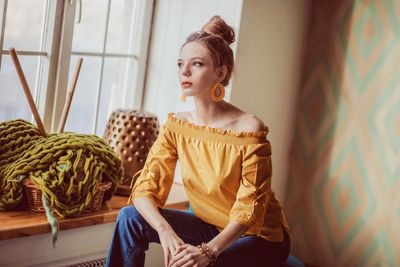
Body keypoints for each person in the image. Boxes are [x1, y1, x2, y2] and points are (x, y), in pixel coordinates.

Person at [105, 15, 291, 267]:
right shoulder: (176, 126)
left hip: (258, 239)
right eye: (181, 63)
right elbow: (144, 191)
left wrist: (207, 252)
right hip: (209, 226)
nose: (185, 71)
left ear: (220, 73)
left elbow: (249, 213)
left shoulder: (249, 130)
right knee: (130, 217)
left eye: (197, 64)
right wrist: (164, 230)